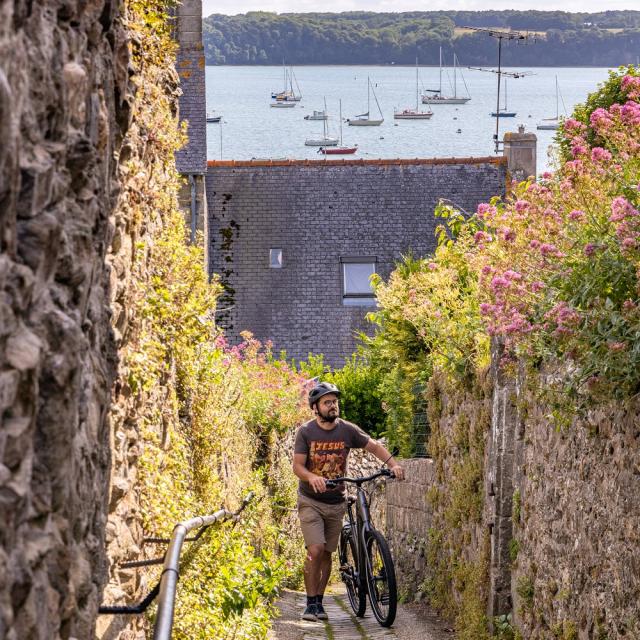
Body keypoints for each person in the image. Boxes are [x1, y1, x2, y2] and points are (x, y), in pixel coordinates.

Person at [293, 381, 405, 622]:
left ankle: (319, 602)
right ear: (316, 407)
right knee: (315, 549)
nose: (333, 406)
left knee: (326, 554)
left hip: (336, 502)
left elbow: (374, 446)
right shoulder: (306, 432)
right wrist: (312, 477)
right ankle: (309, 603)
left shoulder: (347, 430)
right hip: (310, 501)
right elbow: (298, 467)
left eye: (335, 401)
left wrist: (393, 464)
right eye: (327, 402)